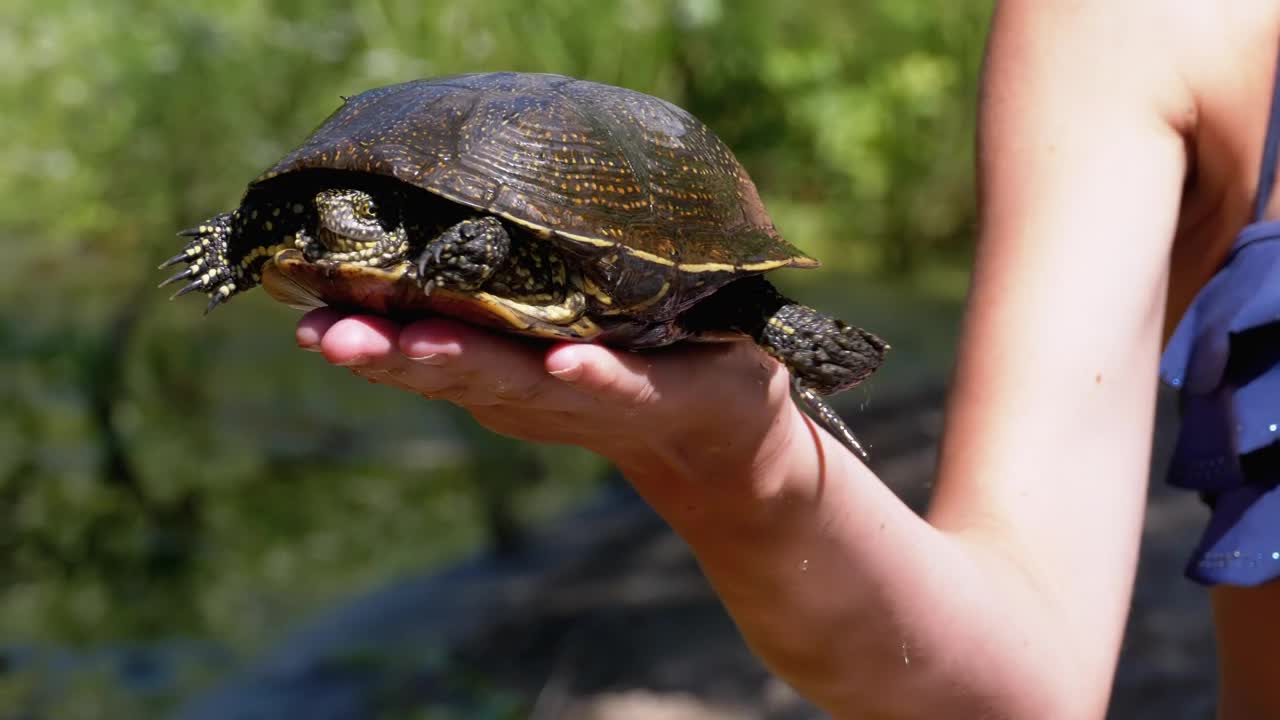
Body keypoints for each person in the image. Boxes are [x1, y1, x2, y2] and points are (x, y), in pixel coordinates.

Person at [294, 2, 1280, 717]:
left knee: (752, 312)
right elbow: (1021, 687)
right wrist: (745, 460)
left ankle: (758, 318)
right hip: (514, 249)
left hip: (616, 246)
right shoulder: (1137, 27)